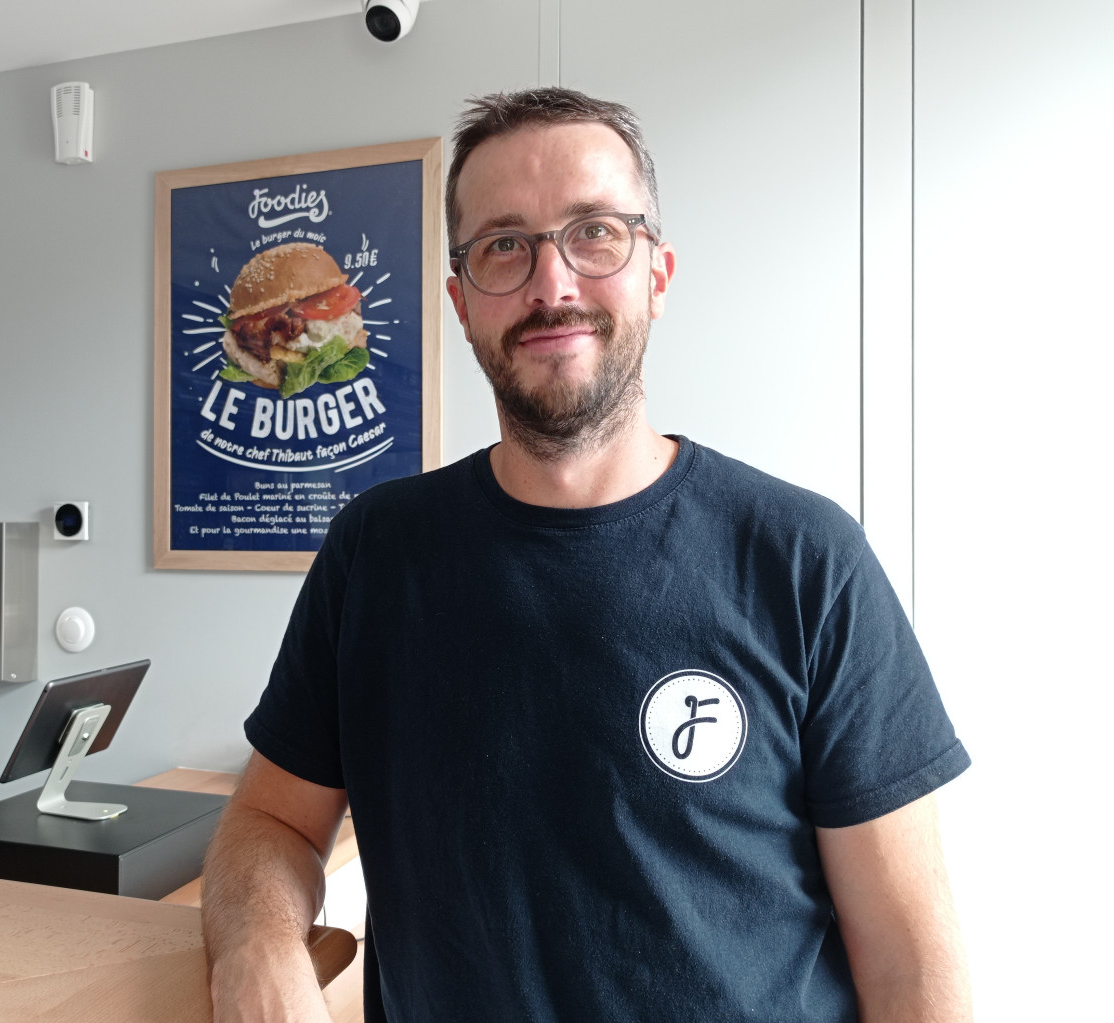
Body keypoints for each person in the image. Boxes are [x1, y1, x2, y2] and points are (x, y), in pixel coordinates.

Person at [201, 87, 972, 1023]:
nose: (551, 283)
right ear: (459, 301)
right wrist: (258, 937)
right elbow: (270, 823)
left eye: (594, 232)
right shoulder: (377, 550)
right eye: (503, 245)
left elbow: (908, 966)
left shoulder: (804, 557)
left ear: (657, 269)